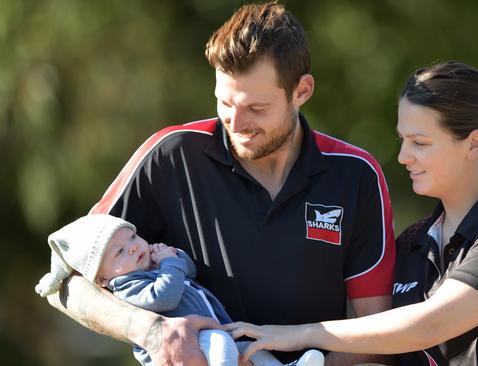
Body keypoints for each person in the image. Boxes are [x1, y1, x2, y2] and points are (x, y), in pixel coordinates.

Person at [44, 2, 395, 365]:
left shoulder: (356, 175)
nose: (236, 122)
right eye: (224, 102)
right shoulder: (171, 154)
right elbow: (63, 279)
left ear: (302, 91)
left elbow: (377, 332)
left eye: (256, 108)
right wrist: (146, 330)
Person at [225, 61, 478, 366]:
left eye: (420, 143)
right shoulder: (412, 241)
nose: (404, 156)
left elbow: (429, 326)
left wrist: (300, 334)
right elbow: (385, 344)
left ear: (474, 144)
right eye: (402, 139)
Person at [35, 214, 324, 366]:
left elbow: (190, 270)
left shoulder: (153, 267)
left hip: (218, 330)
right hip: (194, 343)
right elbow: (164, 297)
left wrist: (173, 257)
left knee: (254, 348)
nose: (135, 246)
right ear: (101, 279)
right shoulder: (126, 286)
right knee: (225, 347)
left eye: (133, 236)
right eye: (120, 252)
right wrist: (170, 264)